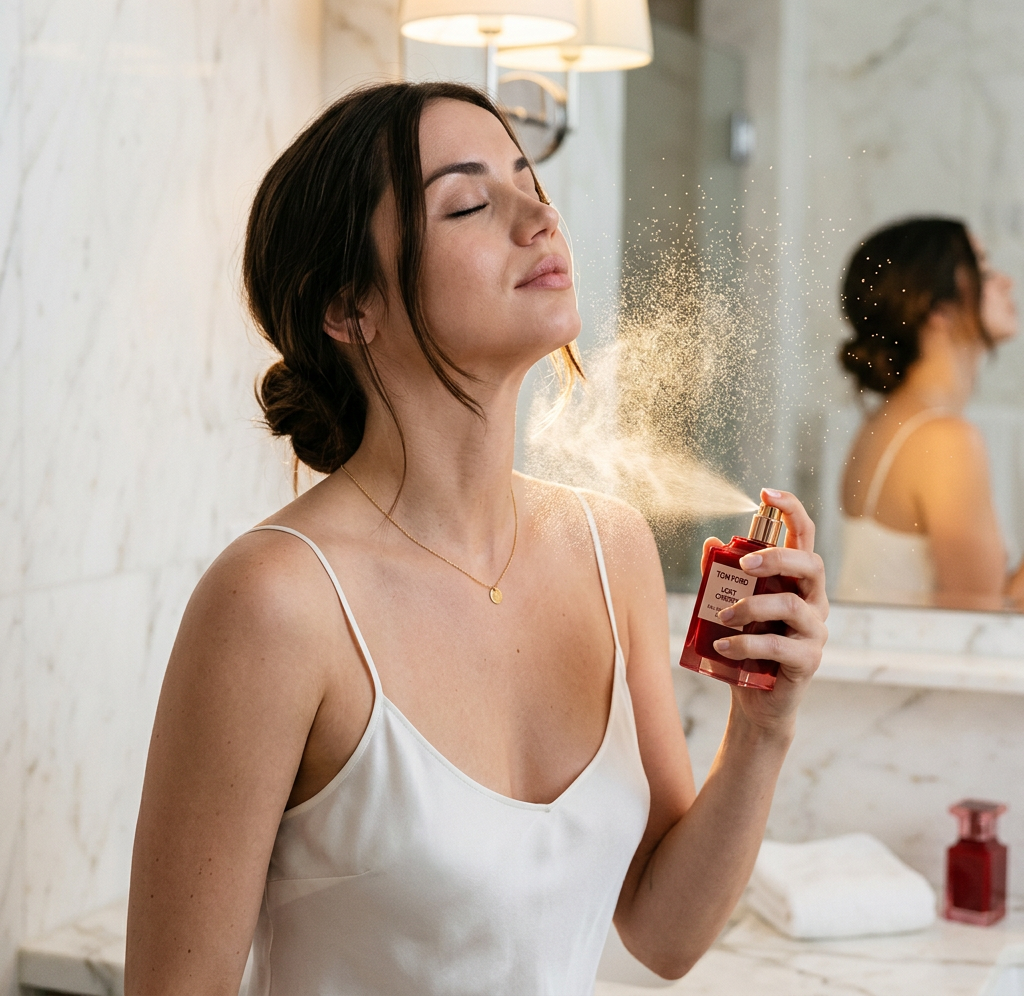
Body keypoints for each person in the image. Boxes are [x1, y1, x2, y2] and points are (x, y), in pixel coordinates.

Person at [125, 81, 827, 996]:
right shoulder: (276, 602)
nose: (539, 215)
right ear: (348, 308)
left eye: (530, 178)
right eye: (468, 201)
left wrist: (764, 729)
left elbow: (664, 931)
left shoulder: (605, 547)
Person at [836, 217, 1022, 609]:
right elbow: (980, 622)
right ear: (937, 307)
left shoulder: (890, 420)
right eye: (983, 271)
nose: (1005, 281)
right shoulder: (942, 438)